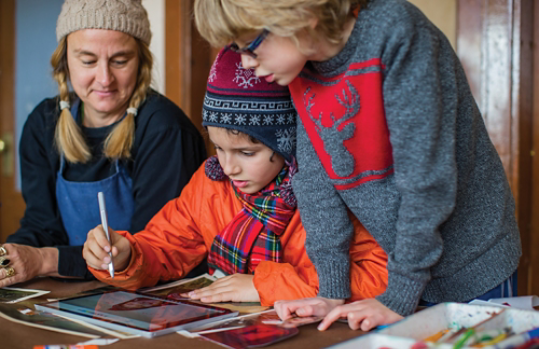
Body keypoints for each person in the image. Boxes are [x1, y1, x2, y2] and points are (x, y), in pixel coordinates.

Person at [193, 0, 522, 330]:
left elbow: (425, 181)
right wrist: (331, 291)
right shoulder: (300, 65)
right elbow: (316, 184)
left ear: (298, 13)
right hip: (405, 269)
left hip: (472, 263)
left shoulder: (395, 31)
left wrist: (399, 294)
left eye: (250, 46)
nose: (247, 64)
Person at [82, 48, 388, 306]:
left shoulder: (330, 191)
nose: (228, 167)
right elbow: (164, 247)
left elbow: (380, 274)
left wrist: (262, 286)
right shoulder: (210, 183)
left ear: (286, 143)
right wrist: (125, 257)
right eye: (218, 148)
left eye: (246, 153)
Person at [0, 0, 206, 287]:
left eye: (120, 60)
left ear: (142, 62)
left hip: (150, 298)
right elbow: (40, 227)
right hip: (73, 291)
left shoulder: (165, 129)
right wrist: (12, 259)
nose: (105, 79)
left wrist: (45, 260)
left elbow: (153, 253)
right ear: (64, 61)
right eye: (87, 61)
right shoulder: (42, 123)